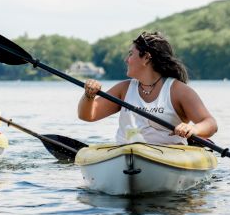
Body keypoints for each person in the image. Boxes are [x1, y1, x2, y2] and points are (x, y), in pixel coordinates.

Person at [78, 31, 217, 145]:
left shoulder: (178, 91)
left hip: (169, 158)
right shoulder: (124, 89)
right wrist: (89, 96)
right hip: (126, 154)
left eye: (131, 54)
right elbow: (88, 116)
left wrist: (193, 128)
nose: (126, 59)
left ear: (146, 58)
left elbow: (210, 123)